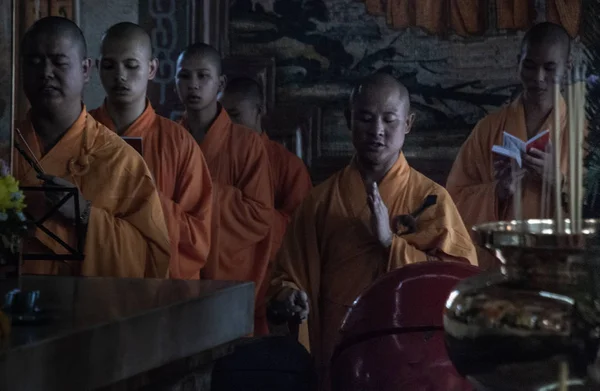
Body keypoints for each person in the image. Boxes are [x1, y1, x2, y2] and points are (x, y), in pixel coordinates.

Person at [268, 72, 478, 389]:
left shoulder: (431, 200)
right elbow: (287, 275)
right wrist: (290, 296)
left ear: (408, 123)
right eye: (365, 119)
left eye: (389, 120)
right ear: (349, 120)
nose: (377, 131)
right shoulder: (321, 201)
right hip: (339, 347)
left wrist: (390, 243)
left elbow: (459, 284)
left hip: (411, 357)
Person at [15, 16, 170, 277]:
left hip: (87, 311)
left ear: (86, 70)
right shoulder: (7, 146)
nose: (46, 73)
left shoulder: (121, 161)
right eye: (34, 62)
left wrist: (85, 214)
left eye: (59, 62)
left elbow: (152, 261)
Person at [90, 22, 213, 280]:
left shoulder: (179, 143)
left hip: (158, 290)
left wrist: (144, 199)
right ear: (96, 68)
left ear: (151, 69)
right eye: (110, 66)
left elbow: (196, 238)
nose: (120, 75)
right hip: (94, 281)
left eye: (131, 65)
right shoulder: (82, 133)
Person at [446, 22, 573, 269]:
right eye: (529, 65)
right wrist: (497, 193)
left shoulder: (584, 133)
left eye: (549, 68)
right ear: (518, 63)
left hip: (559, 269)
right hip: (498, 266)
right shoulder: (487, 129)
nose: (538, 78)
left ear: (566, 69)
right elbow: (453, 201)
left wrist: (560, 185)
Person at [175, 43, 274, 335]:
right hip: (179, 275)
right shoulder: (169, 138)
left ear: (220, 84)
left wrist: (200, 193)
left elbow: (258, 215)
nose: (193, 85)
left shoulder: (247, 143)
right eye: (184, 76)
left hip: (226, 272)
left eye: (203, 76)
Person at [220, 77, 313, 315]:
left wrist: (243, 215)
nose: (226, 125)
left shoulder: (287, 165)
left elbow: (299, 234)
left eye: (235, 115)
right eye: (220, 116)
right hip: (217, 278)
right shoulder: (210, 159)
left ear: (259, 111)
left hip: (267, 285)